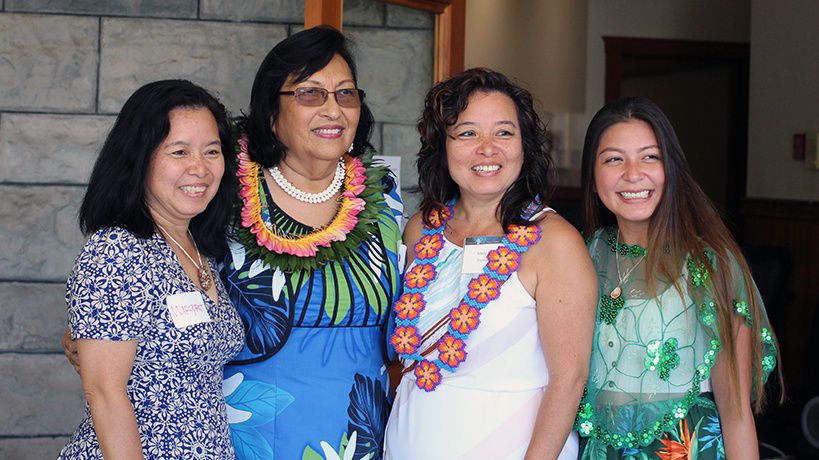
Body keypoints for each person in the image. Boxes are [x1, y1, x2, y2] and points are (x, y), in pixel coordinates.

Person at [383, 68, 597, 459]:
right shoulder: (419, 230)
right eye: (467, 133)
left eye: (503, 132)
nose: (487, 148)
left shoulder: (555, 242)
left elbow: (570, 379)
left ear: (524, 146)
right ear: (441, 147)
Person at [220, 27, 403, 459]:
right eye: (310, 94)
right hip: (249, 431)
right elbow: (164, 260)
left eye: (346, 95)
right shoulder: (224, 190)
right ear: (270, 110)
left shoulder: (385, 193)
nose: (333, 110)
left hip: (357, 434)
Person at [574, 96, 781, 458]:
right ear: (592, 179)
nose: (633, 173)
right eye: (613, 159)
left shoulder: (710, 265)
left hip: (685, 448)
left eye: (649, 156)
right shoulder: (581, 257)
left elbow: (735, 414)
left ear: (671, 169)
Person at [58, 79, 244, 458]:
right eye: (179, 152)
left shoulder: (199, 248)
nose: (200, 168)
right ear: (140, 158)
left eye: (212, 151)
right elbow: (105, 393)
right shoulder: (116, 251)